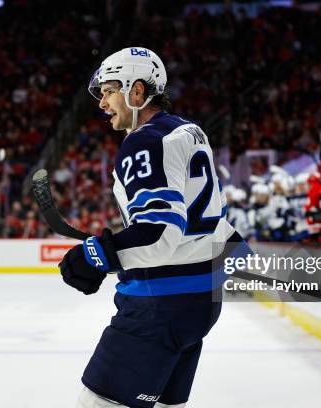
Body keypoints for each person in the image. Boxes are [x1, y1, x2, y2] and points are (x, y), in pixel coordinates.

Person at [59, 47, 241, 408]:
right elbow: (208, 219)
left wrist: (95, 255)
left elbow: (159, 232)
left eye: (110, 90)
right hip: (199, 303)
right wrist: (233, 256)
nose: (102, 103)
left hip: (159, 305)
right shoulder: (190, 131)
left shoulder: (144, 140)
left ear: (137, 91)